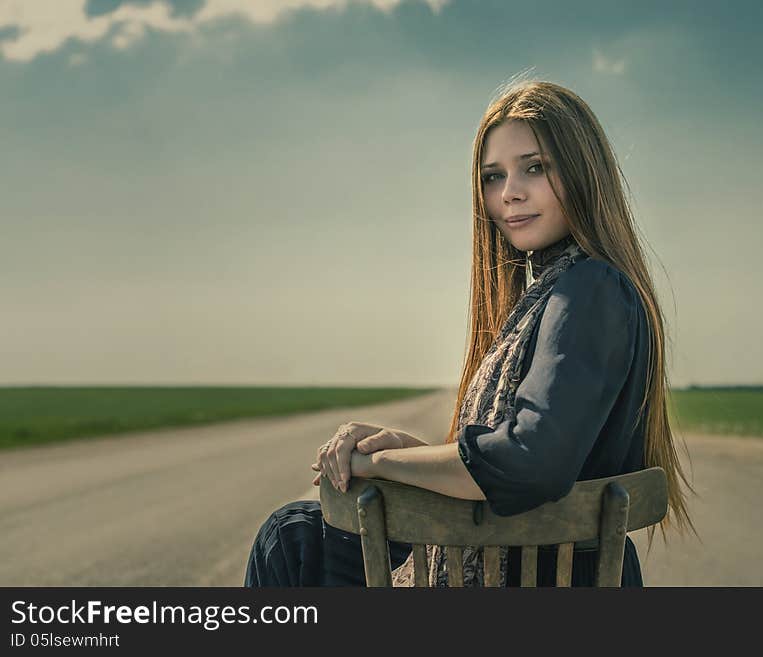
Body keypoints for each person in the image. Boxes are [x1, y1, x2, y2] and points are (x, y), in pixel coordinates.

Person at [244, 79, 696, 587]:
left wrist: (387, 463)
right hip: (535, 562)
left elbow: (530, 463)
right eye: (492, 177)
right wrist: (406, 449)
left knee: (289, 539)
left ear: (583, 172)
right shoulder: (560, 290)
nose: (510, 193)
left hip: (537, 580)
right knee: (297, 534)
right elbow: (528, 450)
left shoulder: (590, 289)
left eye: (535, 167)